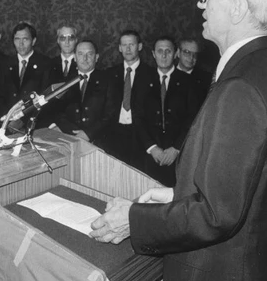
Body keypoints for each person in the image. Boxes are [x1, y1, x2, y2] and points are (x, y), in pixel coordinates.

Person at [90, 0, 267, 281]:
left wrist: (133, 218)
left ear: (237, 8)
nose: (200, 4)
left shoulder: (241, 87)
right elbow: (251, 189)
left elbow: (216, 215)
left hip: (221, 280)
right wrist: (179, 195)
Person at [136, 36, 197, 186]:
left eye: (168, 51)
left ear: (175, 54)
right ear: (153, 54)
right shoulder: (142, 79)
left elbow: (193, 119)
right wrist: (152, 148)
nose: (163, 55)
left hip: (179, 155)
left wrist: (176, 148)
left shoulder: (188, 82)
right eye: (160, 51)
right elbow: (138, 117)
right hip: (150, 154)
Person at [103, 30, 154, 168]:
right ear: (119, 48)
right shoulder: (110, 74)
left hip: (140, 136)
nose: (128, 48)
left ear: (140, 46)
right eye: (124, 45)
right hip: (114, 134)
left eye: (131, 44)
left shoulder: (151, 74)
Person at [0, 22, 51, 126]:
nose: (21, 44)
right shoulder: (5, 64)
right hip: (6, 124)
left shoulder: (45, 64)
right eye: (17, 39)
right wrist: (8, 119)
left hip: (33, 125)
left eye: (25, 39)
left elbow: (46, 98)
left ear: (33, 41)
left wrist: (22, 120)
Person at [56, 40, 107, 145]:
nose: (85, 58)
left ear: (96, 57)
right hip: (69, 139)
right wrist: (72, 132)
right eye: (80, 54)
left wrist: (88, 134)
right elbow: (57, 111)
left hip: (99, 141)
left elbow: (110, 114)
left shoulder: (107, 80)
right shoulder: (65, 81)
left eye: (89, 54)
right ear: (74, 57)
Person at [175, 38, 212, 110]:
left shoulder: (206, 79)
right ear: (178, 53)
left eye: (195, 54)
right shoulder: (166, 75)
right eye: (187, 52)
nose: (191, 57)